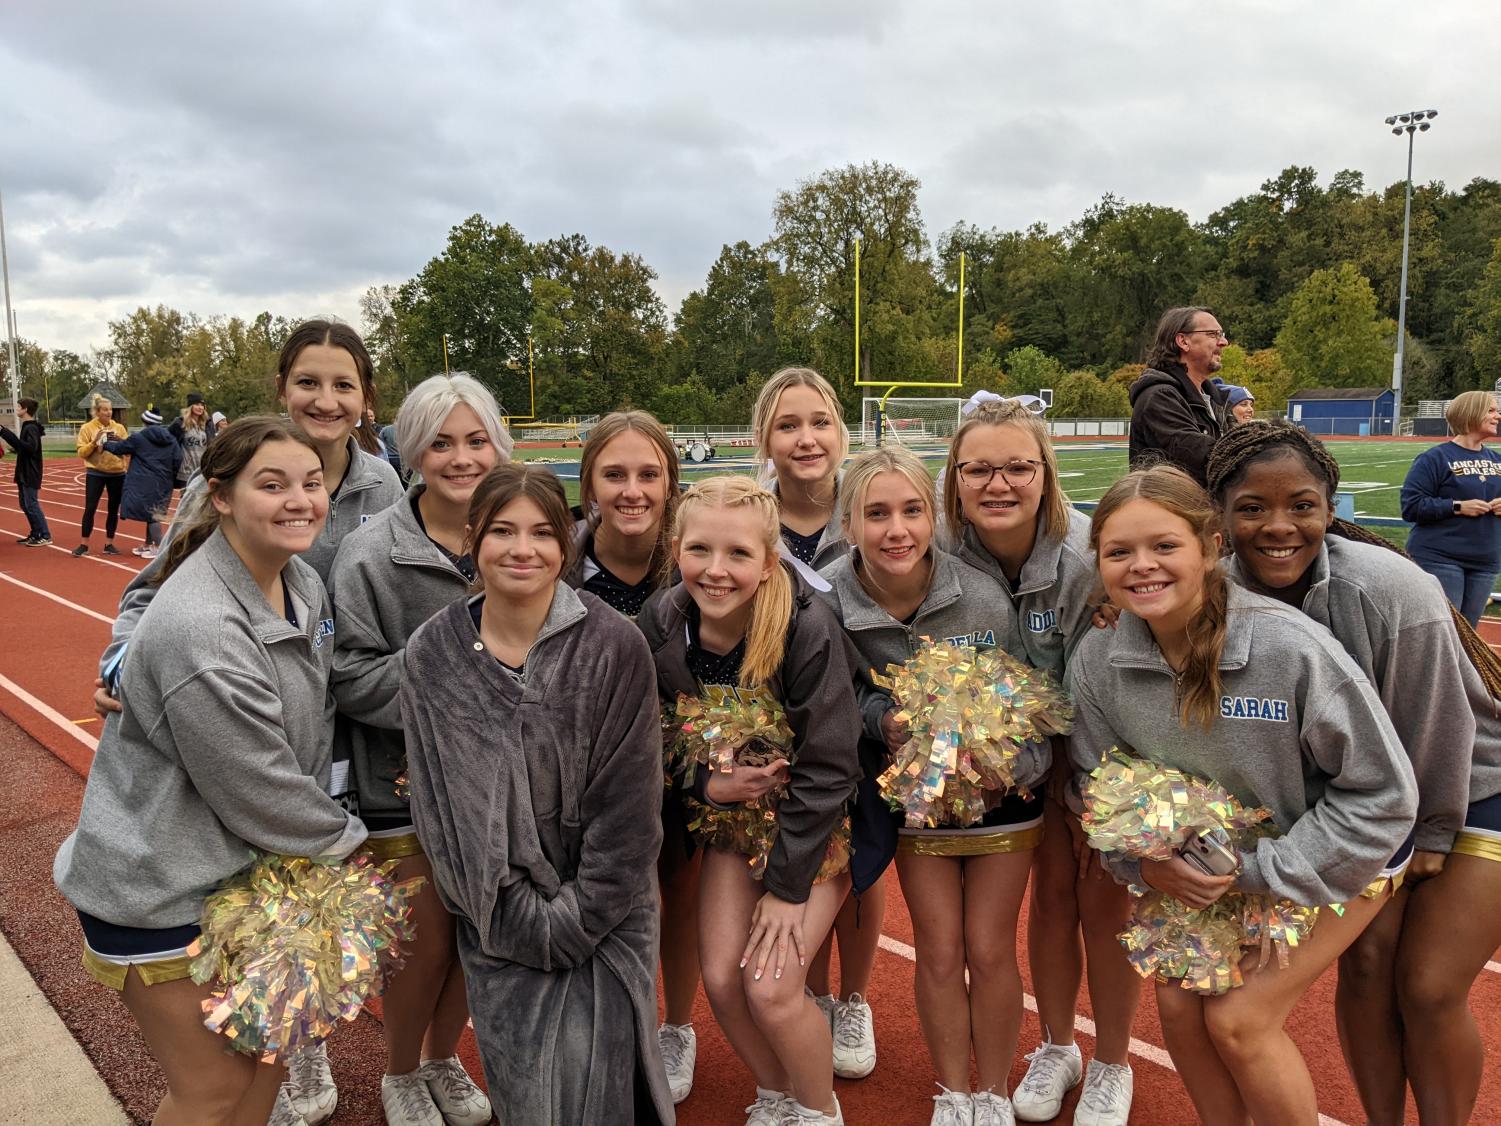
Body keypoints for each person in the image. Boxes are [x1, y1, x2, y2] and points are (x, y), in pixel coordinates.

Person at [92, 320, 401, 1124]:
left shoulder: (299, 577)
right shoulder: (203, 629)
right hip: (165, 881)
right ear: (219, 496)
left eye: (309, 485)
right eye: (272, 485)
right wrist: (355, 855)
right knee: (214, 1090)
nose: (300, 500)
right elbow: (256, 784)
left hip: (239, 866)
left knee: (256, 1072)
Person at [1069, 464, 1416, 1125]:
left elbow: (1382, 793)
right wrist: (1142, 866)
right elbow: (1092, 783)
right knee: (1176, 1004)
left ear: (1210, 547)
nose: (1142, 567)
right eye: (1119, 552)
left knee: (1237, 1019)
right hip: (1212, 869)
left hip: (1339, 848)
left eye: (1163, 546)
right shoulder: (1098, 660)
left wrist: (1258, 878)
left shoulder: (1287, 647)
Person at [1206, 421, 1501, 1124]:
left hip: (1470, 786)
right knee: (1365, 971)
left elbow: (1434, 723)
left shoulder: (1389, 589)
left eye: (1301, 506)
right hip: (1366, 801)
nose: (1278, 527)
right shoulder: (1211, 592)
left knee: (1427, 986)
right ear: (1217, 513)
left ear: (1329, 510)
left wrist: (1428, 836)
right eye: (1251, 508)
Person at [400, 464, 673, 1125]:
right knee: (529, 1099)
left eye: (541, 533)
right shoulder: (432, 654)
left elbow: (630, 808)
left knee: (608, 1094)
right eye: (501, 531)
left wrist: (576, 919)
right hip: (497, 928)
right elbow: (442, 814)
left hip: (609, 921)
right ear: (471, 540)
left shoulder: (614, 646)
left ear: (566, 544)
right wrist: (516, 918)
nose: (522, 549)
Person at [819, 447, 1042, 1126]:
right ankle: (952, 1092)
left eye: (912, 510)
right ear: (848, 524)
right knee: (940, 948)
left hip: (1000, 800)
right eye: (876, 513)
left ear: (933, 516)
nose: (897, 530)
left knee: (990, 947)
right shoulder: (828, 599)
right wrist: (879, 720)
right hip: (911, 807)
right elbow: (829, 697)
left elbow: (1031, 697)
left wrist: (1010, 768)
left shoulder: (977, 593)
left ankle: (993, 1091)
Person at [640, 475, 862, 1126]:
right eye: (699, 550)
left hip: (810, 834)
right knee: (720, 979)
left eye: (737, 554)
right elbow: (647, 737)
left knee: (769, 991)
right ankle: (776, 1093)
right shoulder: (662, 620)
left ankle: (819, 1112)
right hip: (729, 825)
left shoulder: (804, 626)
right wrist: (703, 784)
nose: (715, 570)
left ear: (768, 562)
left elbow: (829, 765)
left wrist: (789, 890)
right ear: (676, 548)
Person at [941, 398, 1134, 1126]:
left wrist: (1090, 781)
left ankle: (1112, 1059)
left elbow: (1122, 675)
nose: (999, 484)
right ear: (954, 480)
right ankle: (1059, 1044)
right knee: (1051, 901)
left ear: (1046, 474)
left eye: (1018, 467)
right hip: (1015, 763)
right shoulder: (936, 552)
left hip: (1097, 753)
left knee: (1101, 895)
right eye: (979, 469)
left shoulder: (1089, 556)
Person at [330, 374, 508, 1126]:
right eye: (441, 442)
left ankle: (442, 1058)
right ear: (412, 450)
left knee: (478, 934)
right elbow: (347, 676)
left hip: (500, 783)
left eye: (475, 440)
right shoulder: (372, 554)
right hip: (400, 783)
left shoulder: (522, 532)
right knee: (421, 943)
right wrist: (454, 671)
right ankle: (400, 1071)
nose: (461, 458)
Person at [563, 410, 700, 1103]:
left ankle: (675, 1027)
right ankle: (602, 1023)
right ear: (587, 483)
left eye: (648, 474)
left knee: (678, 893)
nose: (632, 490)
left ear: (670, 483)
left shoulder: (695, 560)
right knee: (598, 898)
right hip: (582, 781)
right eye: (614, 474)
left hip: (683, 770)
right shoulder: (553, 560)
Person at [751, 367, 881, 1081]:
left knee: (860, 859)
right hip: (777, 729)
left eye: (818, 422)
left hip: (864, 724)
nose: (806, 439)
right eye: (787, 425)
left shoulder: (871, 507)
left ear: (841, 430)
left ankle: (853, 997)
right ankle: (813, 994)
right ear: (764, 440)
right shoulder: (750, 515)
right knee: (801, 856)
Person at [1400, 390, 1501, 626]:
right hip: (1441, 558)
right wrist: (1456, 506)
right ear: (1471, 412)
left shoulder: (1497, 460)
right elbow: (1411, 506)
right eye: (1491, 410)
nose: (1498, 416)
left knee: (1469, 636)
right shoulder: (1434, 458)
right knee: (1444, 632)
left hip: (1485, 561)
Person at [1127, 307, 1230, 484]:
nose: (1224, 342)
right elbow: (1202, 456)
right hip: (1172, 509)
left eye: (1222, 334)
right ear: (1183, 341)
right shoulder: (1159, 396)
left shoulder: (1214, 398)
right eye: (1213, 334)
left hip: (1205, 509)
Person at [103, 405, 181, 558]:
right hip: (164, 481)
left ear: (145, 421)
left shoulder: (139, 437)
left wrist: (105, 443)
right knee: (152, 512)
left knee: (152, 516)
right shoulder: (171, 439)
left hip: (143, 481)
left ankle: (159, 548)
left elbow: (120, 448)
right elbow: (178, 459)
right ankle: (148, 545)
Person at [73, 394, 128, 556]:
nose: (109, 412)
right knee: (90, 508)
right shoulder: (87, 428)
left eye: (110, 409)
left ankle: (109, 543)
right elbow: (81, 453)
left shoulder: (119, 428)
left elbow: (128, 449)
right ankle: (84, 544)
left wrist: (119, 441)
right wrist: (95, 441)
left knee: (113, 509)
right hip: (95, 472)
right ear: (97, 412)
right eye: (105, 410)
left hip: (117, 473)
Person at [1, 396, 52, 545]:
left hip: (31, 472)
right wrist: (16, 448)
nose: (16, 409)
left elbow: (31, 448)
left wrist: (4, 432)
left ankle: (45, 535)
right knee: (25, 504)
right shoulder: (27, 426)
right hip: (24, 471)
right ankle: (35, 533)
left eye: (18, 407)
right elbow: (24, 447)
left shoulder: (31, 427)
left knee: (31, 503)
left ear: (25, 409)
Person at [169, 392, 215, 491]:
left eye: (202, 405)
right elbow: (169, 443)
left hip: (202, 470)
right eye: (197, 404)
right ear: (190, 407)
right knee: (186, 501)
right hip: (185, 472)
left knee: (201, 501)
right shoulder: (179, 423)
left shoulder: (208, 424)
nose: (200, 407)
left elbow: (212, 446)